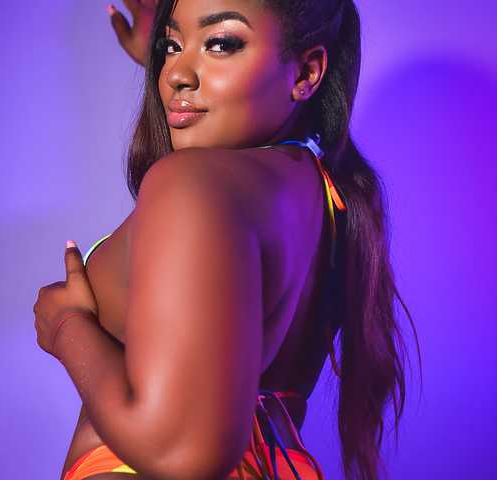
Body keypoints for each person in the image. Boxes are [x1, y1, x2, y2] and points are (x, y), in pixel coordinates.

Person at [33, 1, 422, 479]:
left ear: (306, 73)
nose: (176, 74)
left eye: (221, 43)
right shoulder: (332, 197)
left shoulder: (192, 184)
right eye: (172, 46)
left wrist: (67, 327)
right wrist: (183, 48)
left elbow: (183, 455)